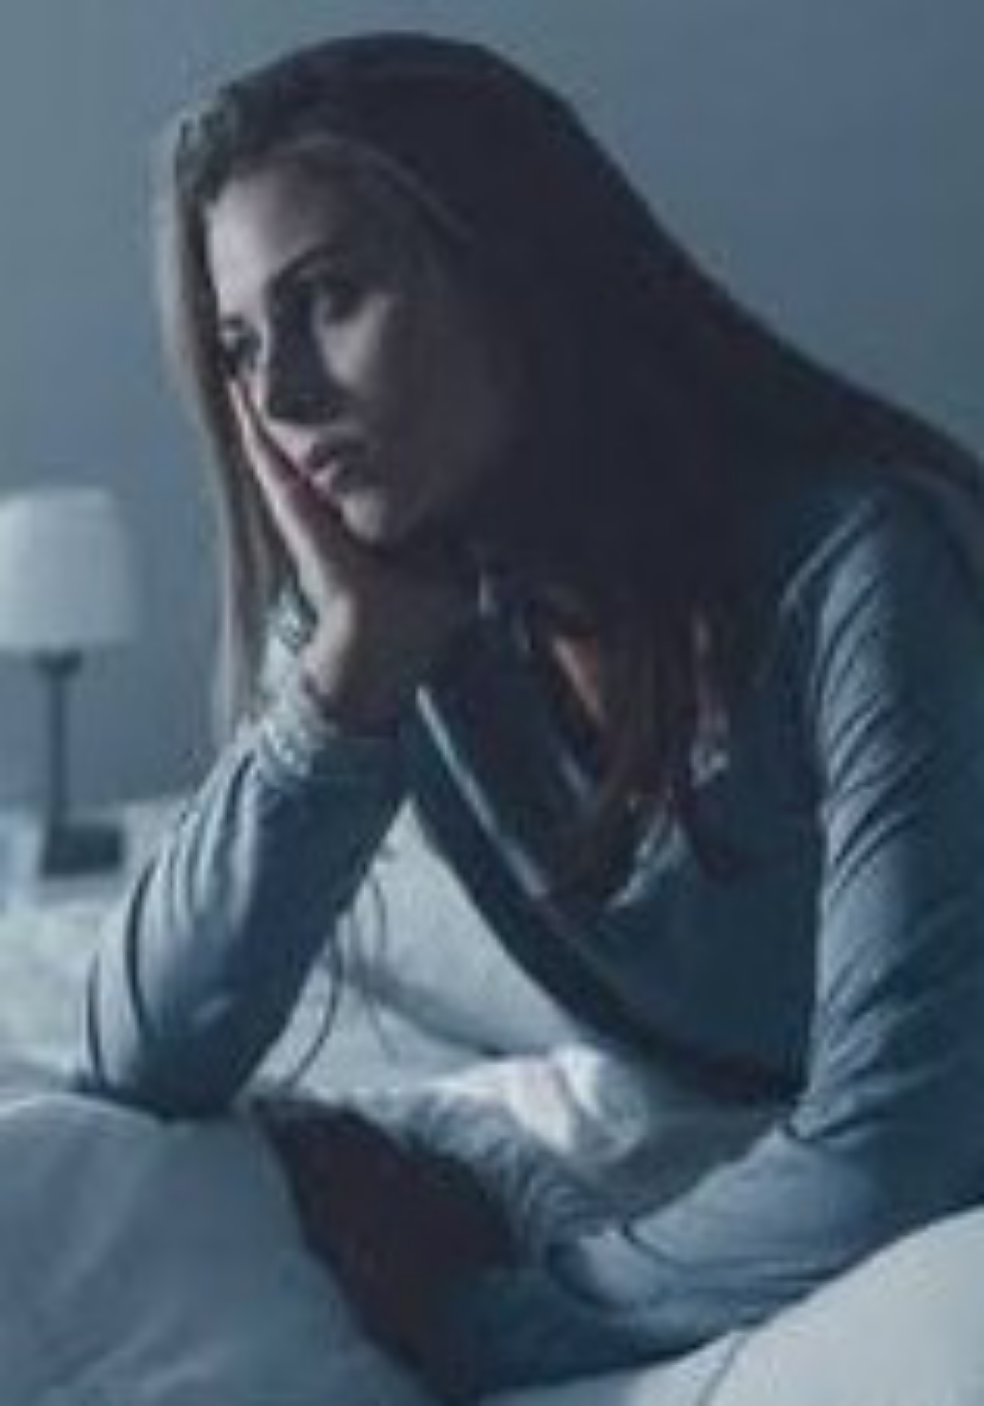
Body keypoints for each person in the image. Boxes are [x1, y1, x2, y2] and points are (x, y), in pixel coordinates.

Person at [78, 29, 984, 1401]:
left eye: (330, 298)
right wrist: (343, 680)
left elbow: (891, 1153)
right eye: (241, 346)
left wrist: (486, 1317)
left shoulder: (862, 571)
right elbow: (140, 1055)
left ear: (518, 271)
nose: (285, 397)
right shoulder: (404, 605)